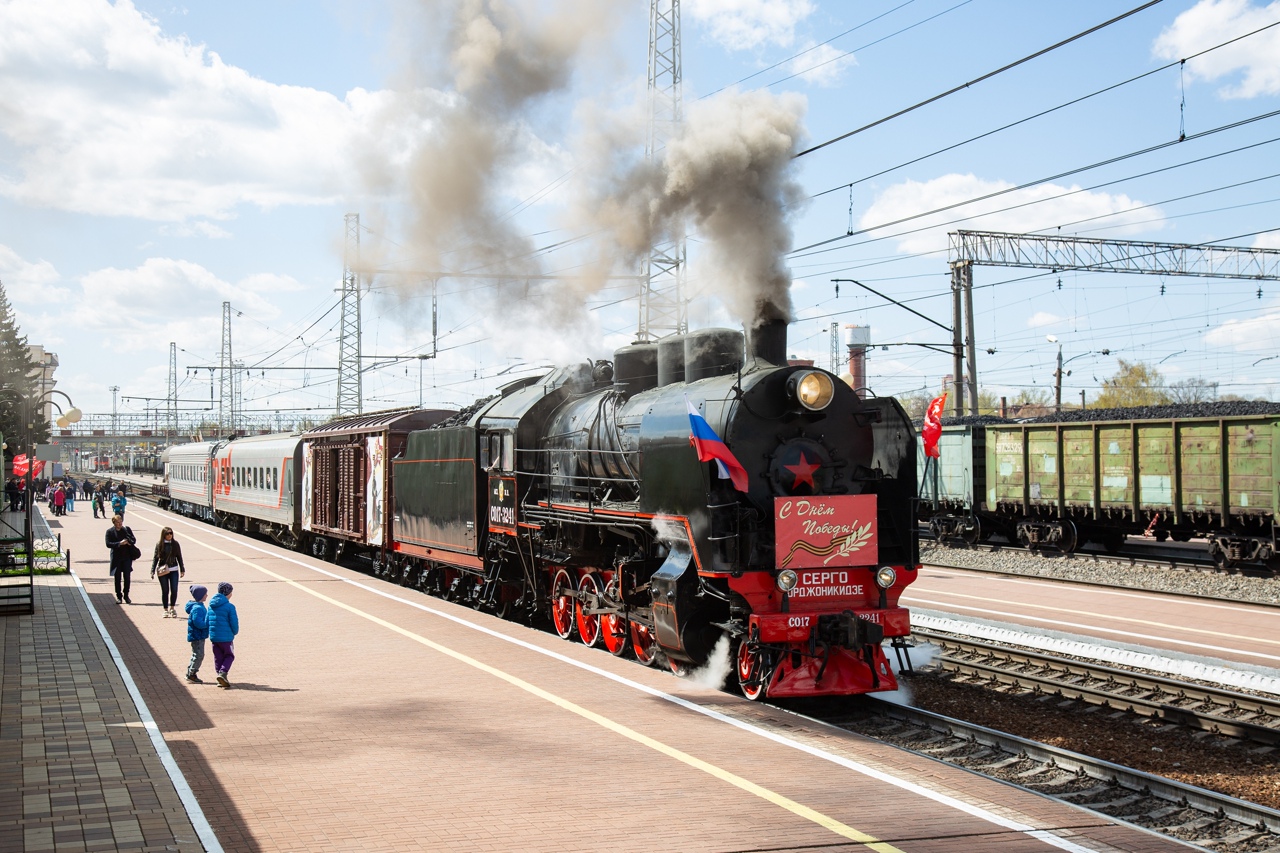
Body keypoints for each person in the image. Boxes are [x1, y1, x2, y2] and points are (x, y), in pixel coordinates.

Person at [208, 582, 239, 688]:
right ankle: (223, 673)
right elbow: (233, 622)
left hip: (214, 637)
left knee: (218, 657)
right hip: (226, 637)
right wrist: (235, 631)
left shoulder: (211, 605)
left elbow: (208, 620)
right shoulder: (230, 607)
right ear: (228, 593)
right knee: (229, 655)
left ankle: (219, 676)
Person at [150, 527, 186, 617]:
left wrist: (182, 569)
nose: (170, 535)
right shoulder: (159, 544)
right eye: (167, 533)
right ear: (163, 535)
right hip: (163, 570)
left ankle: (172, 608)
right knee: (165, 590)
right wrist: (152, 570)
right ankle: (165, 609)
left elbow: (179, 557)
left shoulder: (175, 544)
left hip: (173, 569)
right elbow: (155, 558)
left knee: (174, 589)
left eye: (171, 533)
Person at [105, 515, 138, 604]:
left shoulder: (126, 529)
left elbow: (134, 540)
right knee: (117, 578)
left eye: (121, 522)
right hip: (116, 558)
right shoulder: (110, 531)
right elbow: (108, 544)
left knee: (127, 577)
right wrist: (119, 543)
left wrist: (128, 541)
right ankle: (119, 596)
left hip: (127, 557)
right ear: (114, 523)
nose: (119, 524)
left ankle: (126, 595)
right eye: (117, 522)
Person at [184, 585, 209, 684]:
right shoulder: (197, 608)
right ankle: (192, 673)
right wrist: (207, 623)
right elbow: (198, 623)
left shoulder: (199, 606)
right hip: (197, 635)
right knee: (199, 655)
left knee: (197, 654)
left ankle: (191, 671)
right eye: (205, 594)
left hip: (198, 635)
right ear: (200, 596)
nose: (207, 595)